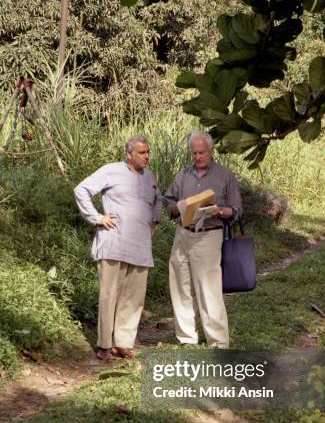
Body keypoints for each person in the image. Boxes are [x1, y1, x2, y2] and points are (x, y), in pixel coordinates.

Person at [74, 135, 162, 361]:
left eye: (148, 152)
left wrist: (154, 220)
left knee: (133, 297)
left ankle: (122, 343)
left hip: (141, 246)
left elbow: (158, 200)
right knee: (109, 294)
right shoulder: (111, 170)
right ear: (129, 154)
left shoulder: (149, 176)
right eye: (142, 152)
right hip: (114, 242)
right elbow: (81, 190)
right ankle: (104, 345)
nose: (146, 156)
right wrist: (97, 217)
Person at [165, 131, 242, 348]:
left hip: (209, 234)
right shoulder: (183, 175)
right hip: (183, 234)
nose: (198, 157)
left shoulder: (224, 176)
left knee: (208, 289)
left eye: (202, 152)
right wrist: (179, 206)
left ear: (211, 151)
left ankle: (217, 342)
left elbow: (236, 211)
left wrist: (218, 210)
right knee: (180, 286)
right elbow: (169, 203)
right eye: (194, 153)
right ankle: (187, 339)